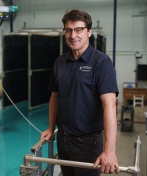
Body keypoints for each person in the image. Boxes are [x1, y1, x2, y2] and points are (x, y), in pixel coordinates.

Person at [41, 9, 120, 176]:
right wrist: (50, 127)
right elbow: (54, 97)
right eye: (68, 30)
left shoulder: (101, 62)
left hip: (88, 143)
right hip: (63, 139)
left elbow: (110, 105)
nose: (73, 35)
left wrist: (109, 151)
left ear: (89, 32)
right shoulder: (60, 62)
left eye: (78, 30)